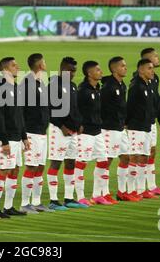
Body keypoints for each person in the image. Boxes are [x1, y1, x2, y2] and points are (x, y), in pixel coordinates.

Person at [0, 57, 30, 218]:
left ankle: (8, 206)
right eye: (14, 65)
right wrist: (4, 141)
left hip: (17, 137)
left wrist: (24, 137)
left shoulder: (16, 88)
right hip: (6, 138)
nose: (18, 67)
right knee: (4, 170)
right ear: (5, 70)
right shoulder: (0, 90)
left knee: (15, 170)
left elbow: (20, 115)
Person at [47, 57, 86, 210]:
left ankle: (69, 198)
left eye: (74, 71)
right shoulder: (54, 85)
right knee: (56, 162)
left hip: (74, 131)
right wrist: (61, 125)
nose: (72, 73)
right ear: (62, 69)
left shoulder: (73, 86)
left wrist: (80, 123)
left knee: (71, 162)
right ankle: (53, 200)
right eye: (70, 70)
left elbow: (75, 108)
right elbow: (49, 109)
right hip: (59, 130)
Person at [19, 54, 53, 213]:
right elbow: (21, 111)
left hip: (41, 132)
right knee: (31, 167)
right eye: (44, 61)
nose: (45, 63)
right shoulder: (27, 83)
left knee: (40, 167)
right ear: (39, 64)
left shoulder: (40, 82)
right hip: (31, 132)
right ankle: (25, 203)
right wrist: (24, 135)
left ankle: (37, 201)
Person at [139, 48, 160, 196]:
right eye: (155, 56)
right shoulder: (139, 80)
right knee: (140, 155)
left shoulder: (155, 78)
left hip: (151, 122)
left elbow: (156, 102)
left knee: (151, 152)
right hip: (141, 125)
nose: (158, 58)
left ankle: (151, 186)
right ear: (147, 59)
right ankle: (138, 188)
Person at [75, 61, 105, 207]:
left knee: (103, 161)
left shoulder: (97, 88)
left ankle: (97, 195)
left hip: (98, 132)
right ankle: (80, 197)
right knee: (81, 164)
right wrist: (78, 125)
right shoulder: (83, 91)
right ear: (89, 73)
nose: (101, 72)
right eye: (98, 70)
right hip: (85, 133)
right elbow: (75, 109)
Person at [126, 59, 156, 199]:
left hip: (146, 126)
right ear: (141, 70)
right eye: (149, 68)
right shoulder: (136, 86)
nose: (152, 71)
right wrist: (127, 123)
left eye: (152, 68)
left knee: (145, 157)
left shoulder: (148, 85)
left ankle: (140, 189)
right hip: (136, 127)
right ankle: (130, 190)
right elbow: (129, 107)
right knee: (134, 157)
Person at [101, 57, 129, 204]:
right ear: (114, 69)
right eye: (122, 66)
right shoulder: (108, 87)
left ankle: (122, 191)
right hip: (109, 128)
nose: (125, 68)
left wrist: (124, 121)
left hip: (120, 128)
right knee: (107, 161)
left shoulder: (121, 84)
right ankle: (103, 193)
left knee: (126, 158)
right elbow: (102, 108)